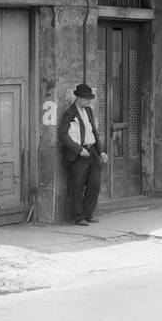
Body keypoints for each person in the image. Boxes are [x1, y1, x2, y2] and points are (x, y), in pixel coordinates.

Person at [58, 83, 108, 226]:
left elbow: (94, 132)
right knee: (78, 186)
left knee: (95, 185)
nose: (89, 102)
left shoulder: (89, 111)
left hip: (92, 151)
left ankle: (88, 214)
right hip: (79, 154)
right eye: (87, 99)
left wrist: (101, 151)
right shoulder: (70, 113)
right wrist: (78, 149)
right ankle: (78, 217)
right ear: (79, 98)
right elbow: (62, 135)